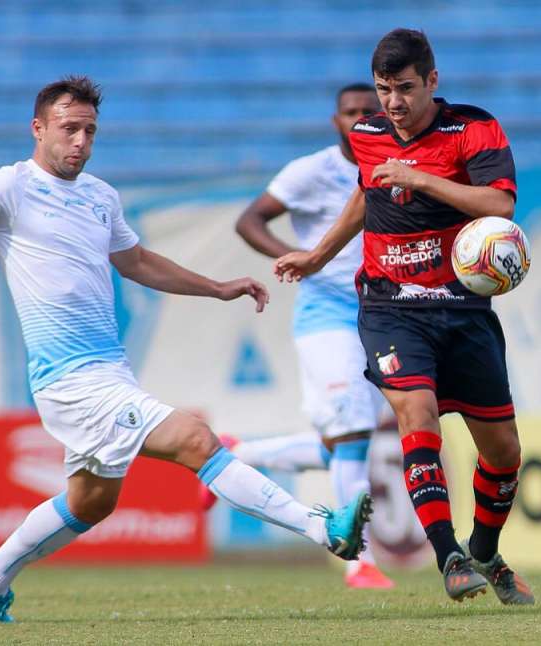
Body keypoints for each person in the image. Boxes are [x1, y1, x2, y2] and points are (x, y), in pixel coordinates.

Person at [0, 76, 372, 623]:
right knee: (195, 440)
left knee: (92, 502)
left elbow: (137, 263)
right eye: (69, 129)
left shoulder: (100, 196)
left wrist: (216, 287)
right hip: (68, 379)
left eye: (90, 131)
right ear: (38, 128)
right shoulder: (4, 188)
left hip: (109, 371)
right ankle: (322, 527)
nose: (81, 142)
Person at [274, 29, 534, 605]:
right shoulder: (368, 134)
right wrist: (318, 255)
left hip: (463, 307)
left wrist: (419, 177)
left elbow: (500, 204)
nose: (392, 103)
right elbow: (368, 194)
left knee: (504, 452)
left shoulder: (474, 128)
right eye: (383, 89)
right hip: (392, 306)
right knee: (415, 411)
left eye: (405, 89)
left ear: (432, 81)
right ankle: (450, 557)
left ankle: (485, 552)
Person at [205, 83, 393, 589]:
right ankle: (360, 562)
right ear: (336, 121)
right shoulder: (314, 171)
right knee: (354, 432)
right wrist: (295, 257)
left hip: (381, 312)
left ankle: (236, 456)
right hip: (326, 314)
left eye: (368, 112)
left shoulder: (397, 165)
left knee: (343, 443)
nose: (359, 119)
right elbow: (250, 220)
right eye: (350, 113)